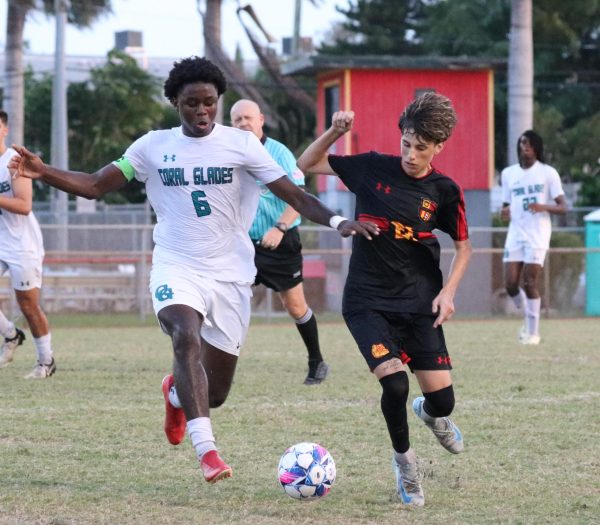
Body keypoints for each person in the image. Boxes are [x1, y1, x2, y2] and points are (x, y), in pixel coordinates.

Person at [8, 57, 378, 485]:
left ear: (218, 101)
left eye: (208, 103)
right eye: (190, 104)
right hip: (176, 265)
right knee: (184, 333)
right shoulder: (151, 147)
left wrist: (337, 222)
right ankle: (208, 452)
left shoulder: (242, 146)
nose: (201, 112)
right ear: (174, 103)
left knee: (214, 393)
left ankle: (175, 393)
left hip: (231, 275)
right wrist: (43, 171)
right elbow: (94, 185)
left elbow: (293, 193)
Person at [297, 92, 472, 507]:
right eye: (407, 144)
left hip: (419, 303)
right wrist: (335, 132)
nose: (411, 155)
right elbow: (305, 166)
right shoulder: (372, 168)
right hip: (367, 301)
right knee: (393, 383)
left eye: (422, 148)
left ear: (439, 147)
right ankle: (406, 465)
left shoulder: (444, 191)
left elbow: (465, 247)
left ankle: (429, 414)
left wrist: (448, 292)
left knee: (443, 401)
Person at [230, 99, 329, 385]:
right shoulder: (230, 155)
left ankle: (317, 361)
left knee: (295, 306)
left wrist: (280, 227)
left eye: (248, 117)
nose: (243, 124)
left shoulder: (278, 152)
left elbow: (299, 197)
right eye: (237, 120)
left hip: (279, 242)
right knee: (226, 301)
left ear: (261, 119)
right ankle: (213, 365)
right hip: (242, 244)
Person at [0, 110, 56, 379]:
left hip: (22, 245)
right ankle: (11, 334)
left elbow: (24, 206)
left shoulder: (12, 161)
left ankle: (46, 361)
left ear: (4, 130)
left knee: (28, 305)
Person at [501, 130, 567, 345]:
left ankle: (534, 333)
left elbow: (563, 207)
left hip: (537, 235)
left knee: (530, 281)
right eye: (522, 143)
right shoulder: (508, 174)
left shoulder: (548, 173)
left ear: (536, 148)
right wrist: (505, 212)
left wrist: (542, 206)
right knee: (511, 284)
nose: (525, 147)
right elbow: (506, 205)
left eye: (529, 144)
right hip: (515, 233)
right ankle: (527, 317)